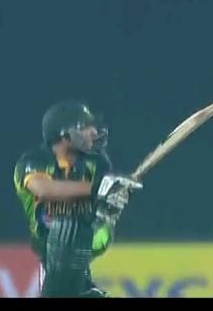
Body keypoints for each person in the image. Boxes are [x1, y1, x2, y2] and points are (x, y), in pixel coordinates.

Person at [14, 100, 142, 297]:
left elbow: (95, 245)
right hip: (52, 267)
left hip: (80, 270)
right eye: (85, 127)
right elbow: (43, 189)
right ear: (64, 134)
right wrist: (98, 189)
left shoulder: (96, 164)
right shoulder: (35, 160)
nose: (93, 132)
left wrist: (106, 217)